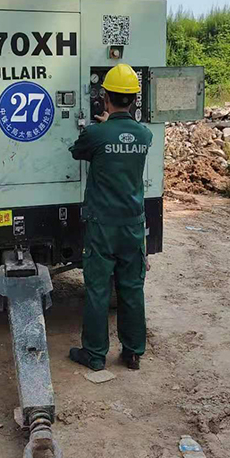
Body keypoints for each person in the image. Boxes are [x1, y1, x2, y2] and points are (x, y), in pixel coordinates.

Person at [68, 63, 153, 371]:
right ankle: (132, 353)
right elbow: (126, 141)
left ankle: (94, 354)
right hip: (132, 225)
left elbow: (78, 150)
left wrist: (102, 127)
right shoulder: (144, 135)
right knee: (131, 288)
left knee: (98, 289)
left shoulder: (95, 134)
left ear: (104, 98)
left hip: (102, 225)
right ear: (133, 100)